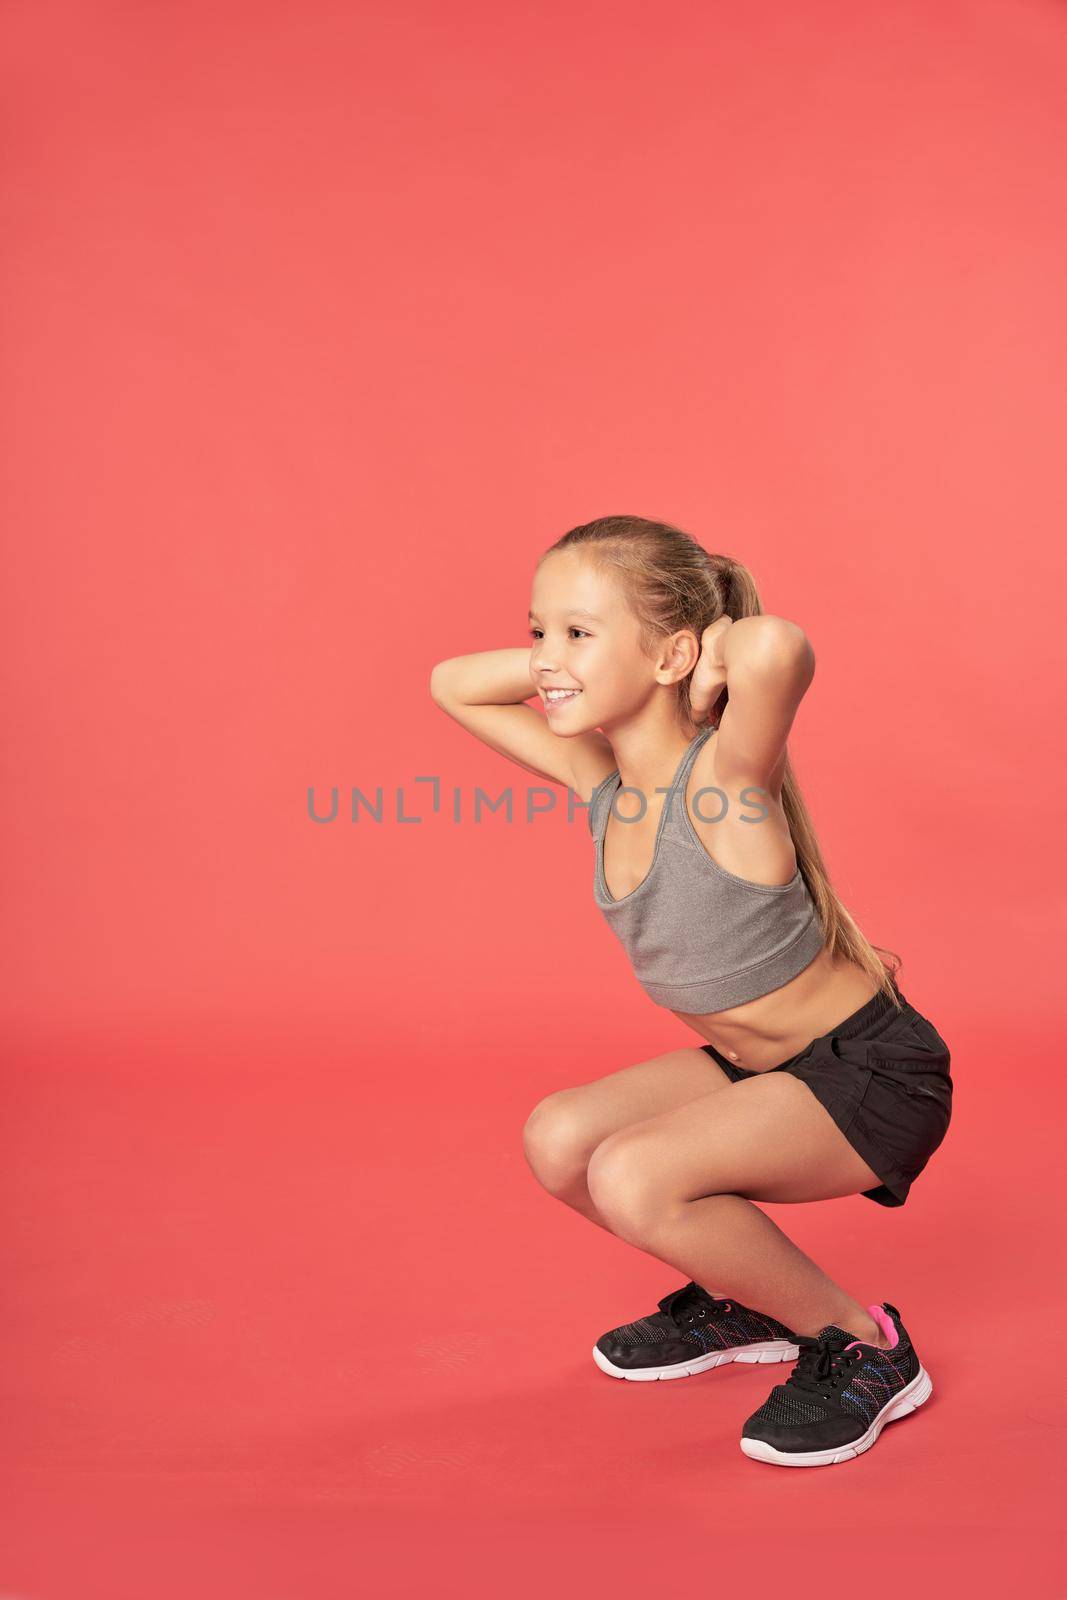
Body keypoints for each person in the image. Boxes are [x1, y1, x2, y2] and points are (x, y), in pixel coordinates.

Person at [429, 514, 954, 1469]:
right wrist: (581, 661)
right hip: (763, 1069)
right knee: (560, 1138)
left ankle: (865, 1348)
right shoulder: (600, 781)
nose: (545, 656)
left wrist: (702, 661)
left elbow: (774, 643)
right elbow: (451, 686)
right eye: (538, 629)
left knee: (634, 1173)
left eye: (577, 632)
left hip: (875, 1076)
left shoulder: (724, 783)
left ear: (675, 653)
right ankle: (747, 1303)